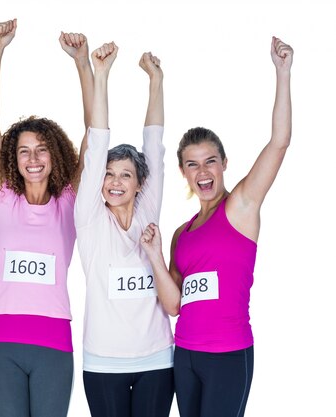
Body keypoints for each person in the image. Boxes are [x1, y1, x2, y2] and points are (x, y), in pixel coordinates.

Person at [140, 36, 294, 417]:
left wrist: (283, 72)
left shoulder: (241, 206)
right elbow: (174, 304)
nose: (203, 171)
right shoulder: (182, 233)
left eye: (210, 161)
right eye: (192, 164)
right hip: (186, 355)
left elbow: (279, 142)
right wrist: (155, 257)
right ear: (183, 173)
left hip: (228, 355)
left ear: (224, 163)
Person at [0, 19, 90, 417]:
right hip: (2, 342)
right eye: (24, 151)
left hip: (53, 343)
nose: (33, 159)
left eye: (42, 150)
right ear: (14, 157)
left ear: (55, 154)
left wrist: (82, 65)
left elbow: (93, 136)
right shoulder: (1, 199)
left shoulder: (68, 204)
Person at [75, 41, 174, 417]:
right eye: (109, 174)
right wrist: (102, 76)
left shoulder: (148, 209)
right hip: (103, 362)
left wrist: (156, 80)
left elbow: (154, 145)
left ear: (139, 183)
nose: (115, 182)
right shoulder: (89, 217)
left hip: (156, 360)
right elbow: (96, 146)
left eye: (126, 175)